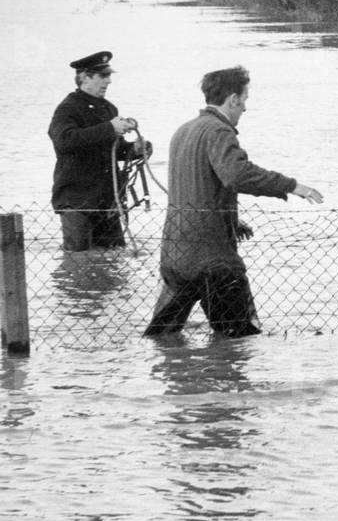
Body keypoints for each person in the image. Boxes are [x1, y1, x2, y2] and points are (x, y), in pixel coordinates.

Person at [144, 65, 323, 338]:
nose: (245, 109)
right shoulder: (219, 131)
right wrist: (291, 186)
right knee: (241, 338)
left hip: (175, 255)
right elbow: (236, 175)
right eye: (245, 100)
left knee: (161, 337)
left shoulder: (183, 130)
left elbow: (197, 187)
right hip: (213, 261)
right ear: (233, 99)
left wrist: (231, 221)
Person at [48, 51, 149, 251]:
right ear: (85, 77)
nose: (108, 81)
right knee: (78, 258)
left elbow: (113, 150)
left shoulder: (109, 109)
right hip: (77, 201)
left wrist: (135, 149)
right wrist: (109, 128)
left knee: (113, 256)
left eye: (109, 75)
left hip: (107, 199)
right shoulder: (67, 108)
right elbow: (64, 141)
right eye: (103, 76)